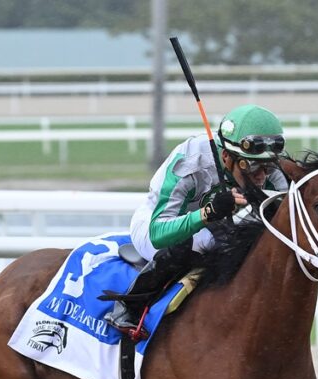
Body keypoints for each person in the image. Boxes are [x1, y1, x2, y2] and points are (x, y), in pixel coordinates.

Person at [104, 104, 289, 339]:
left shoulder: (266, 167)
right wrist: (206, 213)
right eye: (252, 167)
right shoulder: (191, 164)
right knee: (200, 243)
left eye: (268, 166)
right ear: (226, 157)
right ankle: (128, 306)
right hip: (157, 223)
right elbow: (158, 233)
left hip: (218, 225)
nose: (262, 176)